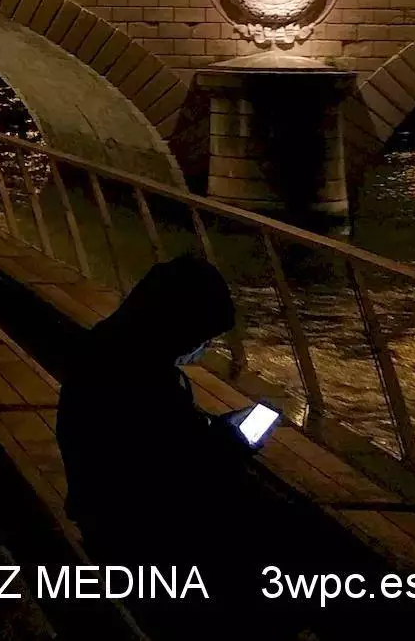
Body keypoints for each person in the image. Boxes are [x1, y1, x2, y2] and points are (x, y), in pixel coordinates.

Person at [57, 255, 290, 635]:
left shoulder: (108, 349)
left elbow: (165, 444)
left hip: (102, 511)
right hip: (134, 533)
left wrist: (211, 430)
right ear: (176, 324)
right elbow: (177, 469)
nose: (202, 346)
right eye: (201, 336)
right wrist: (231, 441)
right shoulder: (142, 378)